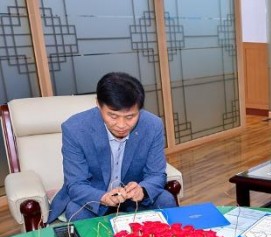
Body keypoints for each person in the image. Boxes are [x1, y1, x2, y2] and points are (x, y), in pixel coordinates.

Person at [48, 72, 176, 223]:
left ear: (139, 109)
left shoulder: (152, 126)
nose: (122, 125)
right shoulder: (75, 129)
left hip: (133, 199)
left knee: (165, 199)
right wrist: (103, 197)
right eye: (113, 116)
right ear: (98, 104)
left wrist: (142, 190)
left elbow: (157, 174)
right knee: (76, 211)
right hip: (95, 197)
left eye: (130, 117)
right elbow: (76, 184)